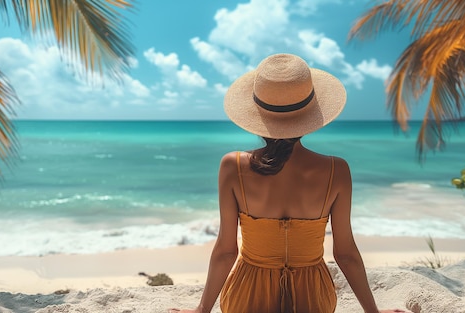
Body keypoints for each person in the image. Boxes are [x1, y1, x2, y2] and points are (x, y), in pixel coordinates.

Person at [169, 54, 406, 313]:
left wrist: (201, 310)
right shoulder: (337, 170)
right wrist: (373, 312)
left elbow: (227, 251)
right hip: (313, 298)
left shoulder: (232, 166)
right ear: (310, 116)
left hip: (247, 296)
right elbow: (345, 254)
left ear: (257, 117)